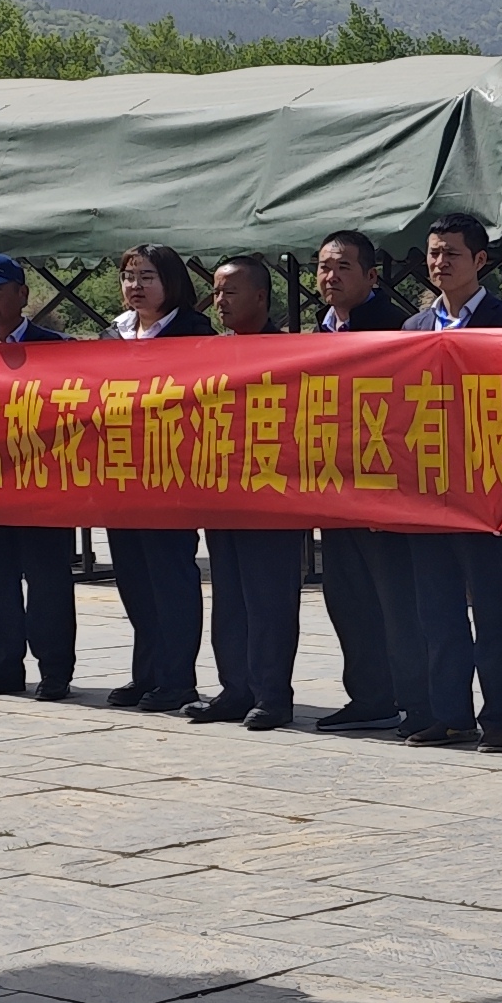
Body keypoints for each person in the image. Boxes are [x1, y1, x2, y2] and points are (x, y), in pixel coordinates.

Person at [401, 214, 502, 754]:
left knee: (493, 605)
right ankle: (449, 713)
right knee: (436, 606)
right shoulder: (413, 328)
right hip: (429, 487)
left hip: (486, 486)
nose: (440, 263)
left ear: (480, 260)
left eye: (451, 253)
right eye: (433, 253)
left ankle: (500, 717)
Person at [0, 255, 80, 700]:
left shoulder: (57, 348)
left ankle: (55, 670)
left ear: (22, 295)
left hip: (45, 484)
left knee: (48, 580)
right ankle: (2, 667)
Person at [306, 230, 414, 735]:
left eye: (343, 267)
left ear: (371, 276)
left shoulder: (395, 328)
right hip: (334, 483)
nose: (330, 277)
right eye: (324, 267)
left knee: (392, 598)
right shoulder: (318, 331)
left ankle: (411, 696)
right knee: (345, 595)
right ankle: (368, 695)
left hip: (385, 484)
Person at [188, 257, 303, 728]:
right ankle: (235, 688)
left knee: (269, 599)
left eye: (230, 292)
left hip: (272, 495)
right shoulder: (212, 353)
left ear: (260, 296)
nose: (220, 302)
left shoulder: (290, 353)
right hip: (224, 491)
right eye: (216, 292)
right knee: (229, 597)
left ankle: (272, 695)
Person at [100, 243, 212, 714]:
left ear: (171, 282)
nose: (136, 286)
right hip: (121, 472)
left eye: (147, 277)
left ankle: (177, 678)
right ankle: (145, 672)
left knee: (170, 577)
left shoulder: (194, 333)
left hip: (171, 473)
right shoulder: (114, 333)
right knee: (133, 578)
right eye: (129, 277)